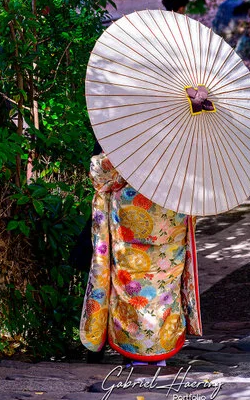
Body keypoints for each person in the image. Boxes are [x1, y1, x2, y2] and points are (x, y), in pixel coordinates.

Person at [79, 154, 202, 365]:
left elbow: (100, 174)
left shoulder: (131, 138)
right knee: (165, 284)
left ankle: (134, 349)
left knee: (131, 283)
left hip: (129, 221)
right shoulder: (185, 144)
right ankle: (160, 346)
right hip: (171, 218)